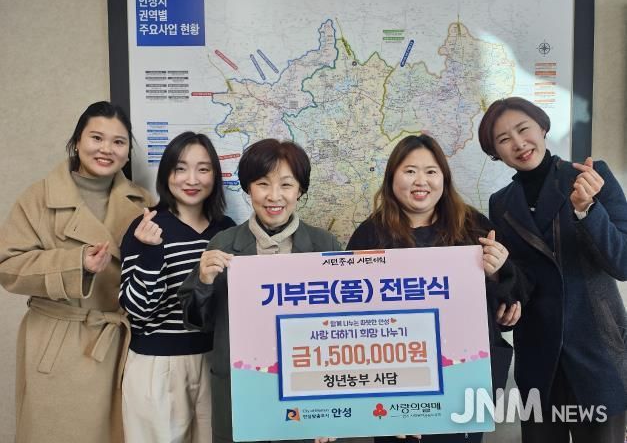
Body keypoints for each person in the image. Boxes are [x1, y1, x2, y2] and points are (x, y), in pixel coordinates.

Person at [346, 134, 527, 443]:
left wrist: (499, 273)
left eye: (431, 171)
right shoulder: (369, 234)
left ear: (444, 178)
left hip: (462, 380)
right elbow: (348, 311)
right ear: (392, 178)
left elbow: (512, 300)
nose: (421, 181)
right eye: (410, 171)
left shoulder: (473, 226)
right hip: (393, 384)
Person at [0, 101, 153, 443]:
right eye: (96, 138)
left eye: (118, 142)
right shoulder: (39, 198)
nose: (106, 149)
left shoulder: (143, 202)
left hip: (120, 346)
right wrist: (75, 263)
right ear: (77, 141)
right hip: (59, 344)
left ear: (127, 152)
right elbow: (7, 266)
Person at [478, 96, 627, 443]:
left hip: (597, 352)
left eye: (523, 129)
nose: (518, 143)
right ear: (495, 152)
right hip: (538, 358)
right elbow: (519, 278)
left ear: (542, 127)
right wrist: (505, 299)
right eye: (504, 139)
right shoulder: (501, 203)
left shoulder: (592, 177)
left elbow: (622, 263)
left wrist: (587, 210)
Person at [177, 138, 342, 443]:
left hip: (307, 396)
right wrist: (203, 281)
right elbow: (197, 322)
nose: (274, 196)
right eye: (263, 184)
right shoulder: (224, 244)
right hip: (242, 393)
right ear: (248, 188)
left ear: (300, 190)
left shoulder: (325, 246)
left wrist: (335, 413)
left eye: (286, 185)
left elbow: (344, 331)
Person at [119, 131, 236, 442]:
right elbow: (137, 310)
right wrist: (151, 251)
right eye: (180, 168)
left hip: (214, 361)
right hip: (158, 364)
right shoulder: (147, 227)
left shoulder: (226, 230)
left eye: (203, 169)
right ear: (166, 174)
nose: (192, 179)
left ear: (215, 175)